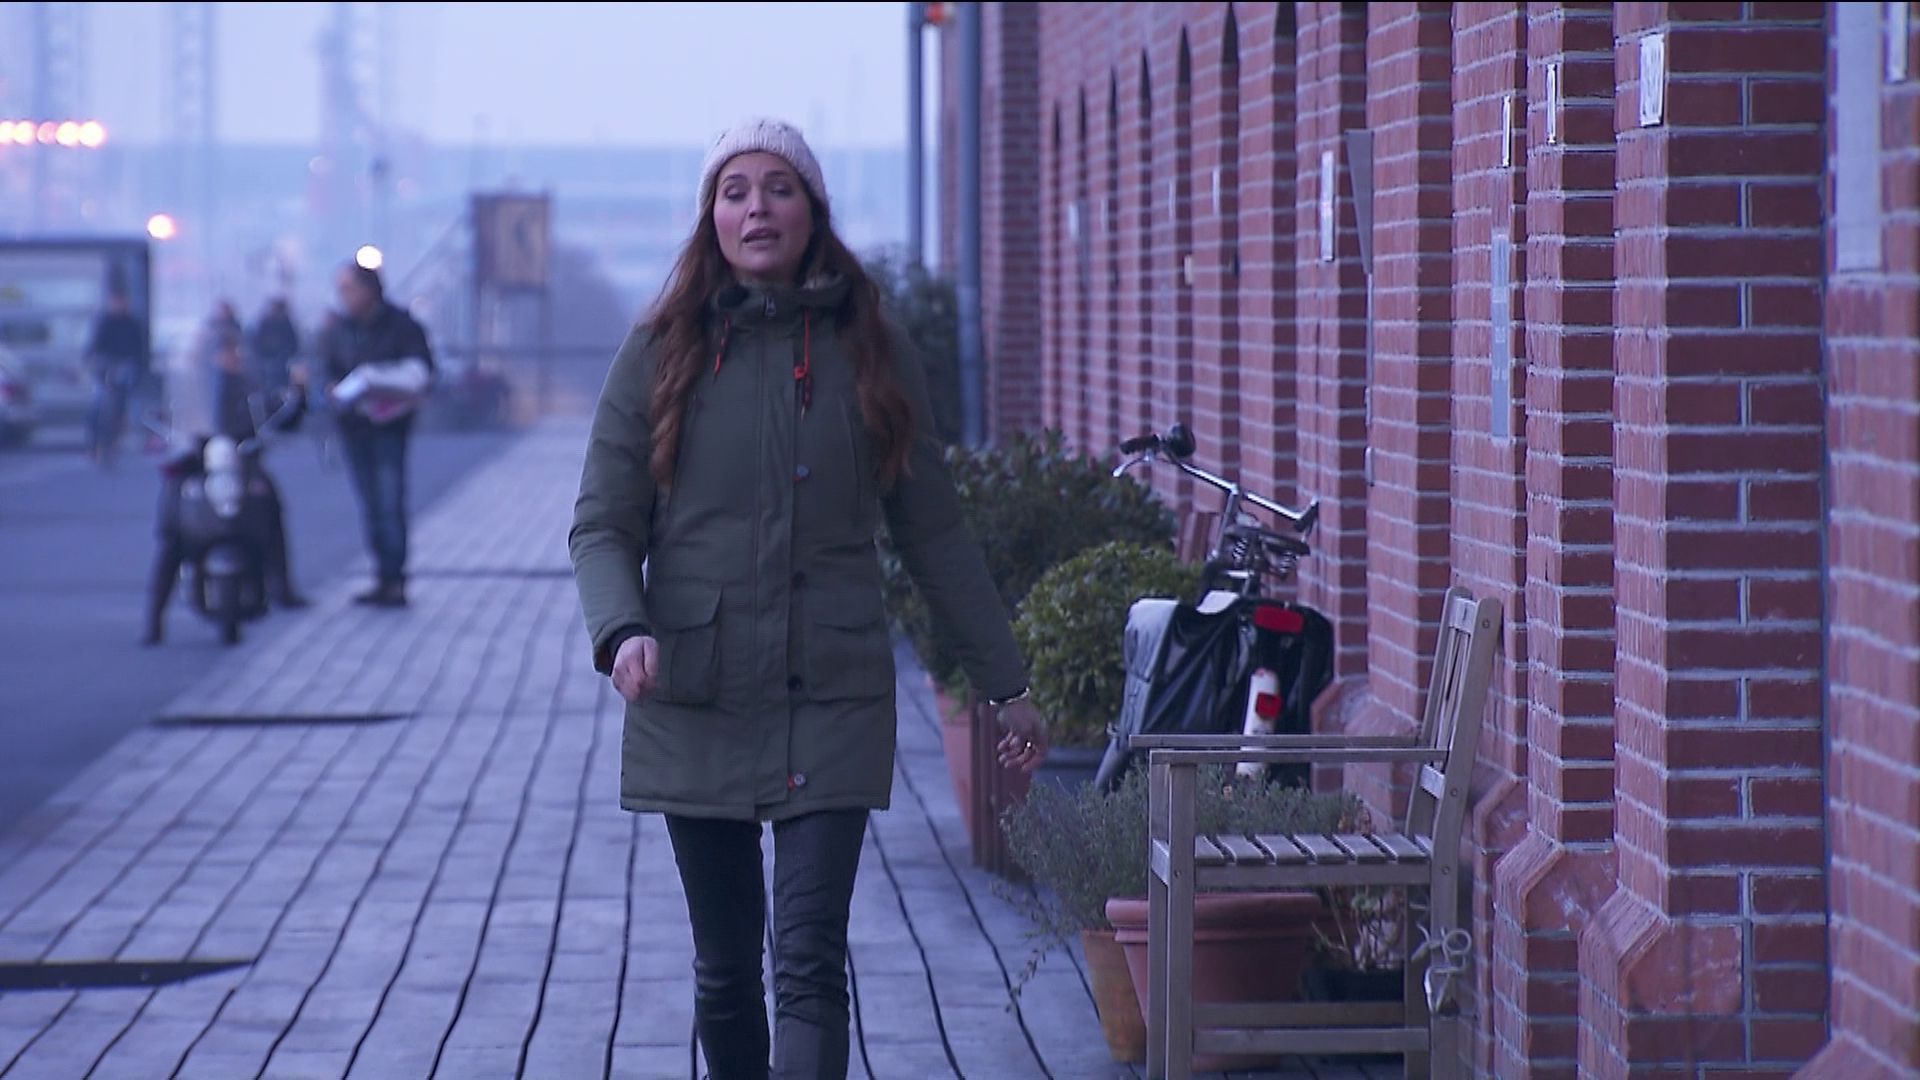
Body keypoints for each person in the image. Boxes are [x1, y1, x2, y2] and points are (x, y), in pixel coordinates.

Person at [569, 118, 1050, 1080]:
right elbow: (602, 523)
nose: (757, 208)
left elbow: (934, 533)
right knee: (724, 972)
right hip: (696, 691)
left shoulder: (872, 349)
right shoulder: (659, 351)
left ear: (813, 210)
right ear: (711, 218)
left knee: (809, 961)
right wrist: (621, 629)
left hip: (832, 692)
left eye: (779, 188)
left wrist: (1006, 682)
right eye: (735, 191)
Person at [144, 332, 308, 645]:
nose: (233, 358)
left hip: (241, 462)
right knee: (172, 530)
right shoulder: (191, 387)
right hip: (196, 465)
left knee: (270, 506)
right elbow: (170, 418)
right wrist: (174, 437)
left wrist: (297, 395)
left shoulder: (248, 386)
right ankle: (154, 616)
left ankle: (282, 587)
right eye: (225, 352)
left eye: (235, 352)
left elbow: (276, 413)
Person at [316, 263, 434, 608]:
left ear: (369, 290)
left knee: (389, 501)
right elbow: (327, 366)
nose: (344, 296)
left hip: (389, 428)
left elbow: (423, 371)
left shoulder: (402, 326)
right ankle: (382, 575)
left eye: (349, 288)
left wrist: (384, 384)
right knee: (370, 504)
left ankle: (395, 578)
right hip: (354, 427)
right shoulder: (339, 329)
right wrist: (330, 387)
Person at [83, 289, 148, 466]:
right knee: (97, 407)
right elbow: (94, 347)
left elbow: (139, 349)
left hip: (124, 368)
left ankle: (114, 442)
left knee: (120, 405)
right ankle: (93, 445)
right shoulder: (104, 322)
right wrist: (93, 363)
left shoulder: (132, 324)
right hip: (105, 370)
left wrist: (137, 368)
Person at [248, 296, 301, 392]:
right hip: (265, 360)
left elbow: (293, 343)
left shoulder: (286, 324)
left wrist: (286, 353)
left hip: (282, 360)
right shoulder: (264, 323)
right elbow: (256, 343)